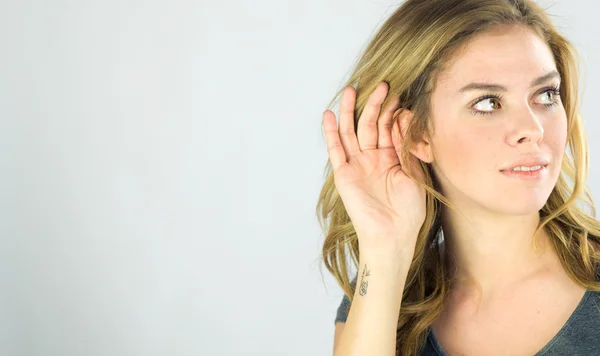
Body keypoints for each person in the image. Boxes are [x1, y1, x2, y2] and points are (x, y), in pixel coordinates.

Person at [315, 0, 600, 355]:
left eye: (545, 94)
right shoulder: (385, 293)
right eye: (488, 102)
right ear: (417, 135)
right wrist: (385, 247)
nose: (532, 128)